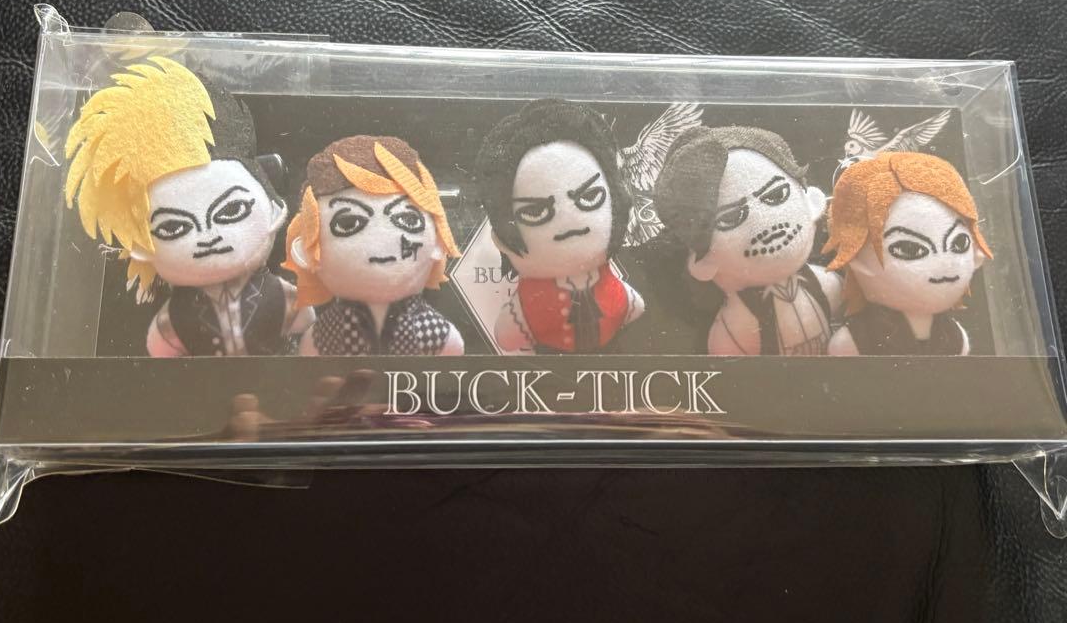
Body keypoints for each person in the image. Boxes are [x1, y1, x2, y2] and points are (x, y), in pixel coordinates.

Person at [65, 56, 311, 356]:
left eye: (231, 211)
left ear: (272, 208)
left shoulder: (277, 294)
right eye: (173, 227)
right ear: (139, 244)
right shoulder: (177, 315)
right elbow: (160, 348)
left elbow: (305, 324)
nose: (207, 235)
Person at [653, 125, 840, 355]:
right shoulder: (736, 325)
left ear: (811, 202)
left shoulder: (827, 284)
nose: (765, 220)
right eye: (731, 217)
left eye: (776, 195)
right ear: (704, 263)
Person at [475, 99, 644, 353]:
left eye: (590, 197)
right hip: (546, 365)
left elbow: (633, 306)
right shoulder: (529, 303)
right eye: (535, 212)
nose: (568, 218)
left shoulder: (608, 282)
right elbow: (508, 336)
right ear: (502, 235)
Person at [284, 135, 464, 356]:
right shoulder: (324, 336)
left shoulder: (435, 333)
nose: (382, 239)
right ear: (306, 250)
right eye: (349, 223)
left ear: (438, 241)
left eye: (407, 219)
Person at [823, 151, 991, 355]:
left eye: (959, 243)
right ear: (856, 258)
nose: (943, 261)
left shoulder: (954, 336)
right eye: (909, 249)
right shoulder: (858, 339)